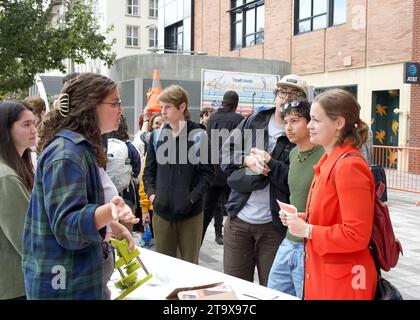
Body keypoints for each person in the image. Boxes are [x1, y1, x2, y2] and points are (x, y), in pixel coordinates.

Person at [22, 73, 139, 300]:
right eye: (115, 103)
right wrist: (110, 211)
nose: (121, 109)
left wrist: (114, 226)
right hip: (66, 286)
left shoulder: (78, 148)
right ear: (90, 106)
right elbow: (67, 227)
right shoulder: (67, 154)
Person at [285, 89, 377, 300]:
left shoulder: (349, 166)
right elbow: (330, 217)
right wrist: (301, 219)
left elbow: (356, 235)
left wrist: (307, 230)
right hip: (328, 275)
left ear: (338, 123)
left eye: (316, 120)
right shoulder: (330, 160)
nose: (309, 126)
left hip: (343, 282)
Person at [219, 75, 309, 286]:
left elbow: (299, 180)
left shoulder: (303, 135)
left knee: (273, 290)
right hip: (238, 220)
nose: (286, 98)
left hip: (275, 227)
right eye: (282, 92)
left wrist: (271, 165)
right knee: (236, 288)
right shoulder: (253, 121)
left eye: (294, 94)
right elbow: (224, 155)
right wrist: (245, 159)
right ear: (275, 96)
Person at [143, 85, 215, 264]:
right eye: (162, 107)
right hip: (161, 213)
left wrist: (191, 198)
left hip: (191, 215)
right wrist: (153, 196)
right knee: (164, 268)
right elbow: (148, 172)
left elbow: (208, 174)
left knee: (190, 266)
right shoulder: (156, 137)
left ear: (182, 107)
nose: (163, 112)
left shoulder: (199, 136)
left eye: (167, 107)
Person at [267, 100, 324, 298]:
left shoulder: (325, 154)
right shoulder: (292, 153)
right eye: (285, 122)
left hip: (311, 245)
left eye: (295, 121)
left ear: (310, 123)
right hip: (289, 240)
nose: (288, 127)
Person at [0, 100, 36, 300]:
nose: (33, 130)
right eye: (26, 125)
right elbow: (26, 238)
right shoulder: (6, 177)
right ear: (6, 129)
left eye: (33, 123)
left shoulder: (16, 168)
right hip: (13, 285)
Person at [202, 90, 244, 245]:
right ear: (236, 105)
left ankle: (197, 244)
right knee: (235, 209)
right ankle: (231, 241)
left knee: (207, 210)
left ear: (223, 102)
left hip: (213, 170)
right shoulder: (239, 119)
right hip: (230, 172)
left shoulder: (212, 118)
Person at [107, 115, 142, 233]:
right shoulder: (130, 148)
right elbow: (137, 173)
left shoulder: (101, 146)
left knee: (108, 236)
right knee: (125, 236)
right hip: (127, 196)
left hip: (106, 198)